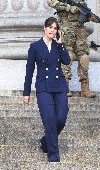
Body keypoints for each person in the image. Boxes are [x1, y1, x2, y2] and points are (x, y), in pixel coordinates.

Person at [47, 0, 99, 98]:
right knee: (67, 56)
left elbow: (84, 11)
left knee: (84, 57)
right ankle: (65, 87)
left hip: (80, 29)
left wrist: (92, 17)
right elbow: (51, 1)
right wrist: (69, 7)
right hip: (66, 27)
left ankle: (85, 89)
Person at [23, 17, 70, 162]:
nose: (52, 30)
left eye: (55, 28)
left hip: (59, 86)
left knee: (61, 118)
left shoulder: (58, 46)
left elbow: (66, 61)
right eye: (50, 27)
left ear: (57, 31)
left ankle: (46, 141)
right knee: (49, 119)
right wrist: (26, 93)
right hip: (43, 87)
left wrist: (61, 44)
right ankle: (53, 155)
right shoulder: (35, 46)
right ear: (44, 28)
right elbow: (29, 70)